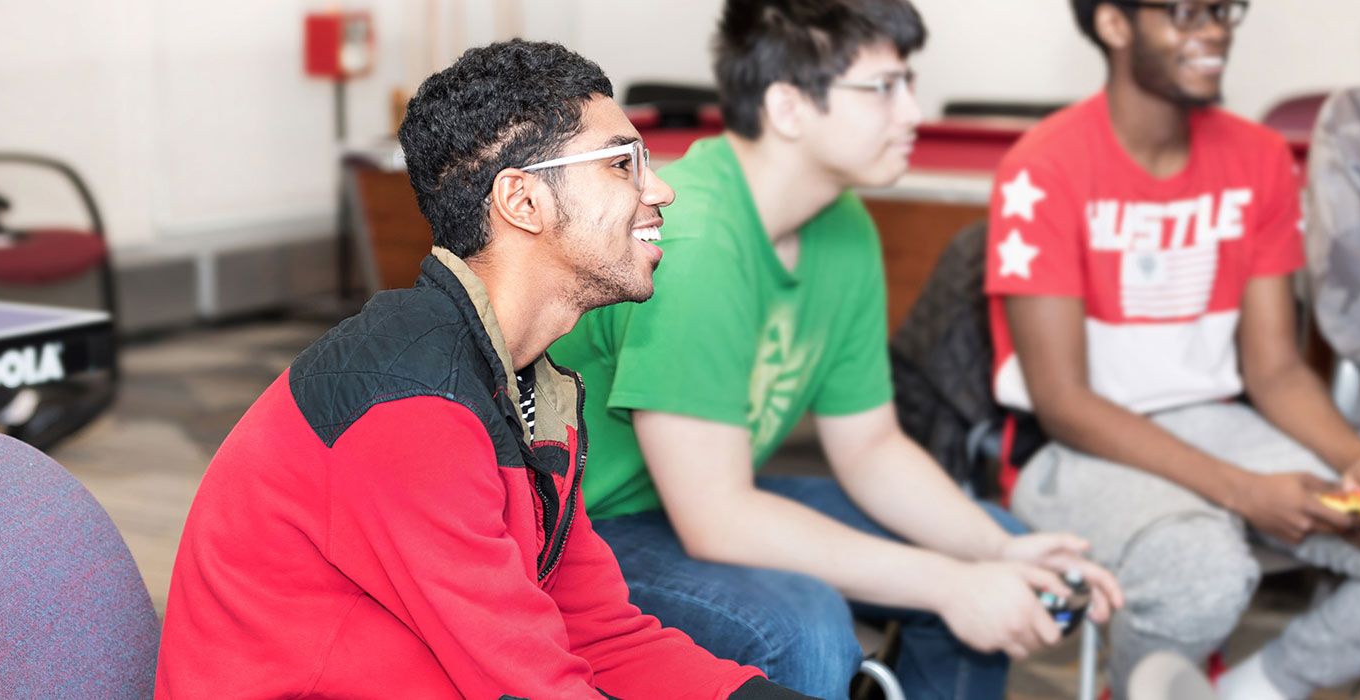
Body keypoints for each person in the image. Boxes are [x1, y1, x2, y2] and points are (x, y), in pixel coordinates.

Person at [154, 40, 814, 700]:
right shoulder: (412, 406)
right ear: (522, 202)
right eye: (622, 164)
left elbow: (598, 634)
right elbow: (527, 685)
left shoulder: (531, 388)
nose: (661, 189)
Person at [549, 1, 1122, 698]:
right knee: (805, 625)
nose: (913, 112)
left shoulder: (842, 224)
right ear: (788, 106)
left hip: (698, 502)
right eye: (883, 88)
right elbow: (718, 519)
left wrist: (994, 554)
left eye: (909, 83)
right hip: (588, 530)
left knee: (989, 542)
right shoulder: (694, 239)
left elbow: (871, 447)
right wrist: (952, 583)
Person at [987, 2, 1360, 698]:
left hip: (1217, 420)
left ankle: (1245, 691)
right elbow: (1063, 402)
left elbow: (1276, 369)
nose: (1216, 30)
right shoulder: (1041, 167)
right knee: (1203, 574)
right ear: (1113, 24)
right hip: (1073, 447)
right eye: (1187, 12)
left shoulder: (1258, 157)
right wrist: (1242, 491)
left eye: (1224, 10)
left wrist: (1355, 459)